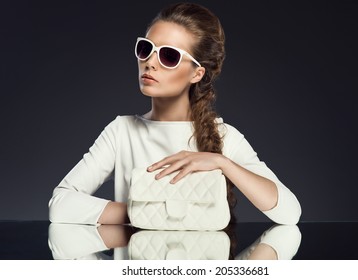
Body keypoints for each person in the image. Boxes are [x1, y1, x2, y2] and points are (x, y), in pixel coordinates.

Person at [48, 2, 301, 226]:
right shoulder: (121, 132)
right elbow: (60, 203)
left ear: (196, 73)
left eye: (169, 56)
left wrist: (221, 163)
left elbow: (290, 213)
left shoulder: (224, 137)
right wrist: (145, 214)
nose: (150, 62)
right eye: (146, 48)